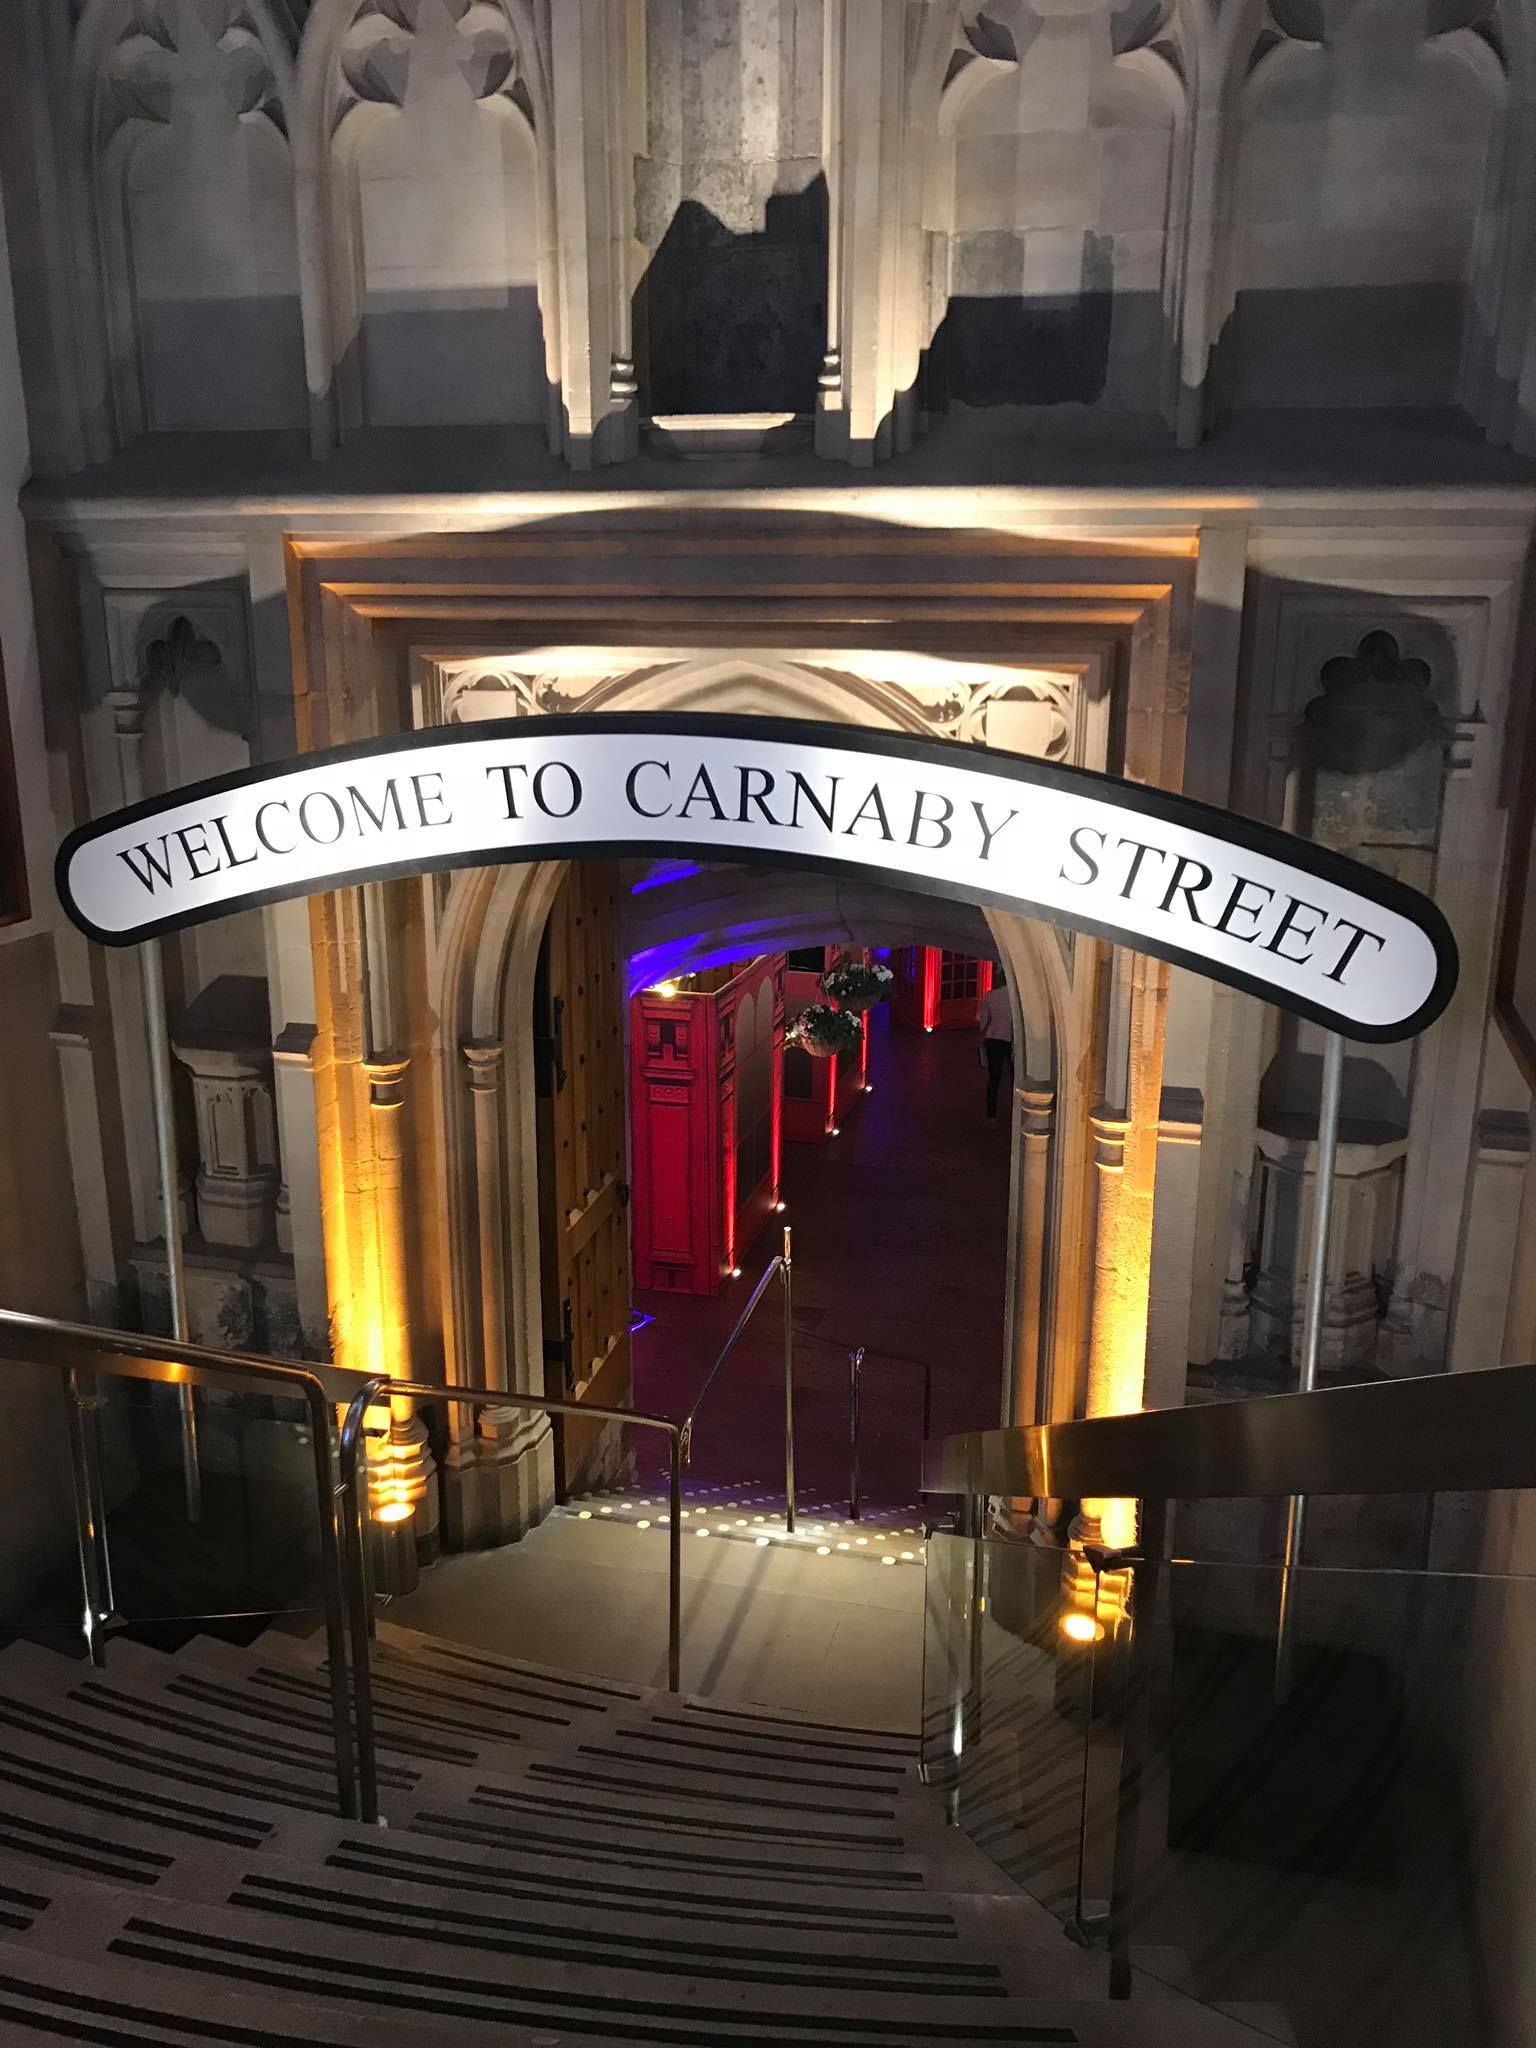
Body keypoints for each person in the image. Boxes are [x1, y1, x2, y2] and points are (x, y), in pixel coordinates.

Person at [977, 969, 1013, 1120]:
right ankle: (1017, 1111)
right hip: (1011, 1041)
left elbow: (983, 1022)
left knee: (994, 1079)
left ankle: (991, 1113)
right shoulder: (1015, 998)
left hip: (993, 1039)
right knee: (1015, 1078)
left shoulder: (990, 996)